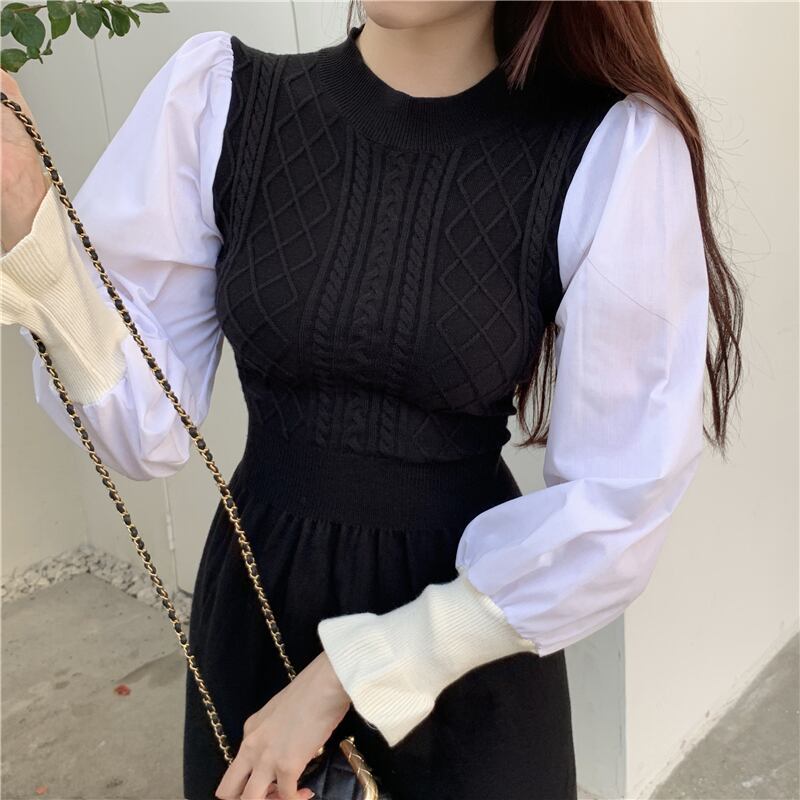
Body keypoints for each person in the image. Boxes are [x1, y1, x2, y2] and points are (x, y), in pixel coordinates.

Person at [0, 2, 743, 799]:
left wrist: (348, 678)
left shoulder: (608, 150)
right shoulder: (220, 100)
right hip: (256, 603)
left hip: (463, 641)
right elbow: (142, 433)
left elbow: (619, 500)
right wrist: (29, 226)